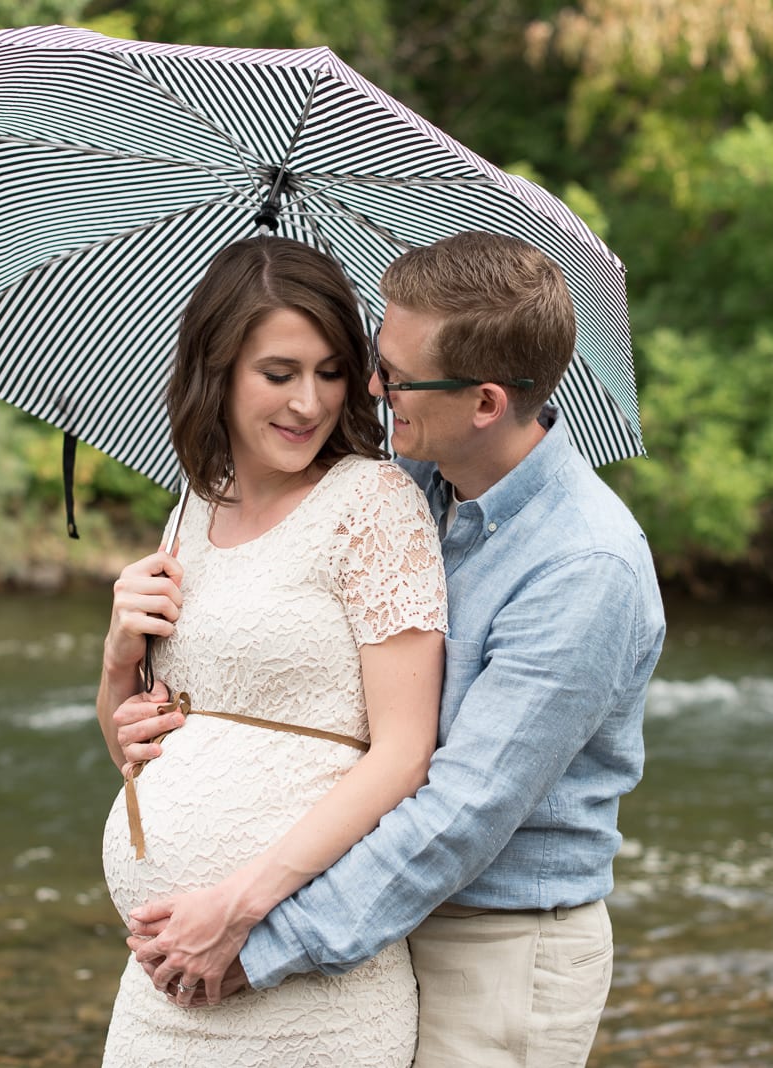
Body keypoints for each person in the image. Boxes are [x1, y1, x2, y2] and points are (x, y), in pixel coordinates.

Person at [122, 231, 666, 1067]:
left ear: (485, 402)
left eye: (394, 377)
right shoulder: (417, 484)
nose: (371, 390)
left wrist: (259, 935)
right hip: (382, 923)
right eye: (374, 359)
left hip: (496, 949)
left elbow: (461, 813)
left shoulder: (583, 568)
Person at [93, 235, 447, 1066]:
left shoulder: (373, 504)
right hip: (161, 986)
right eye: (278, 373)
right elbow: (134, 750)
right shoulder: (192, 508)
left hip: (296, 984)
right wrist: (116, 662)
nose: (309, 403)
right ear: (217, 370)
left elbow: (404, 755)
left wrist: (238, 907)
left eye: (330, 371)